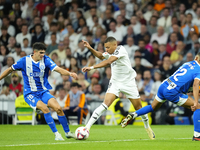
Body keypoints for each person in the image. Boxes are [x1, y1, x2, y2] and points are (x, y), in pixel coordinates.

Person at [0, 42, 78, 141]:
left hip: (43, 91)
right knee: (45, 108)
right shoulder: (24, 61)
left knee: (58, 108)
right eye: (41, 53)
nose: (42, 55)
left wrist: (70, 73)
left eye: (43, 53)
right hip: (30, 93)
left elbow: (58, 69)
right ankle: (57, 135)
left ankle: (67, 132)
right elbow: (9, 70)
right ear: (35, 52)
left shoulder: (46, 59)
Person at [82, 37, 155, 140]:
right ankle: (87, 128)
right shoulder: (110, 53)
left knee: (139, 108)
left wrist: (92, 67)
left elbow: (108, 62)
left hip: (129, 83)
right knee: (105, 104)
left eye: (108, 47)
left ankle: (147, 128)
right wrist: (90, 48)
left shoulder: (121, 49)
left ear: (114, 45)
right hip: (115, 83)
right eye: (105, 47)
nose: (106, 50)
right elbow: (100, 56)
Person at [121, 52, 200, 141]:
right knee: (198, 107)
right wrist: (196, 101)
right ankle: (197, 136)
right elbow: (196, 84)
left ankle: (133, 114)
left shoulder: (187, 63)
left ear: (196, 58)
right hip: (172, 91)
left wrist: (191, 90)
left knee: (153, 107)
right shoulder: (199, 70)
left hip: (164, 85)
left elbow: (184, 80)